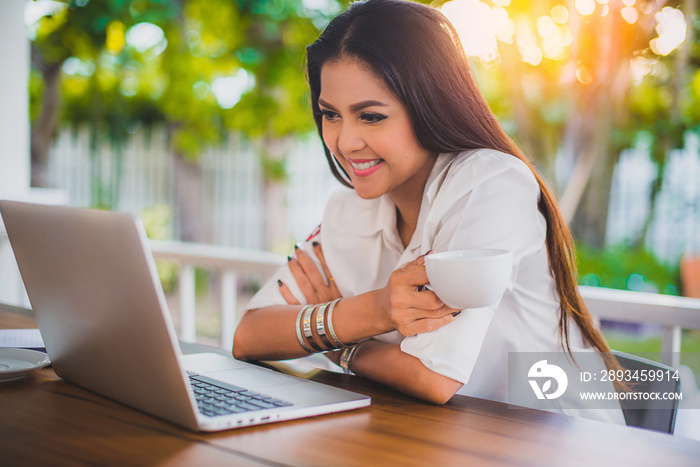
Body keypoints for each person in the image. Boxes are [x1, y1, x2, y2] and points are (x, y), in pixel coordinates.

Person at [233, 0, 624, 424]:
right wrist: (369, 313)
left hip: (559, 439)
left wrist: (337, 337)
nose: (345, 142)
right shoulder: (347, 211)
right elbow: (250, 335)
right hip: (441, 434)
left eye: (371, 116)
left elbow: (433, 377)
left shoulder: (490, 185)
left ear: (428, 104)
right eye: (331, 115)